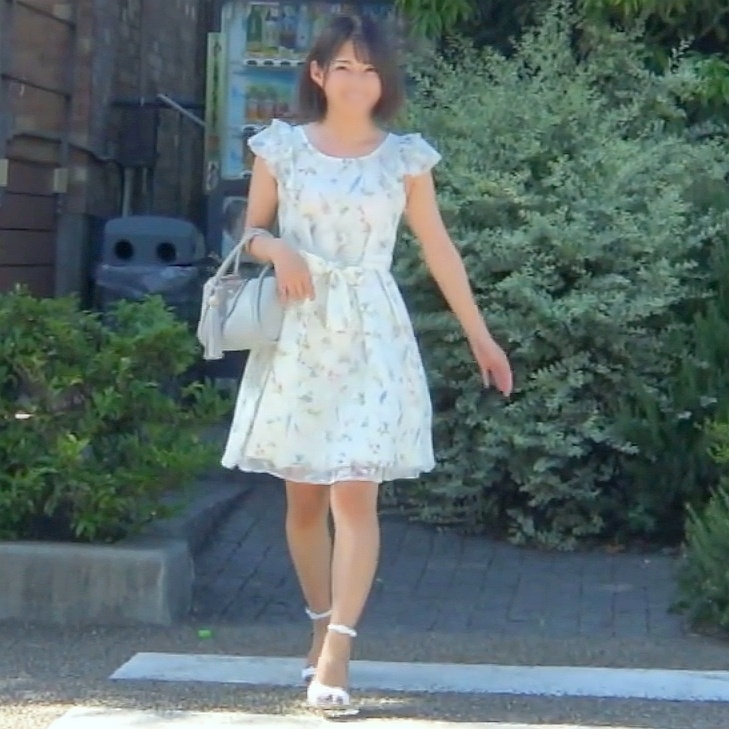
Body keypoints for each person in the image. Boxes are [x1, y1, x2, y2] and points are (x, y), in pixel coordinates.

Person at [221, 14, 513, 709]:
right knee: (302, 498)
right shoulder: (282, 147)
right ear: (318, 74)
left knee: (354, 488)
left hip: (372, 334)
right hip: (297, 331)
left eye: (370, 69)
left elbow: (438, 248)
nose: (357, 81)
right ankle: (318, 621)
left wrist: (480, 335)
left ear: (385, 80)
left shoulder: (404, 159)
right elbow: (248, 228)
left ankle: (339, 651)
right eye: (344, 67)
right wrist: (277, 249)